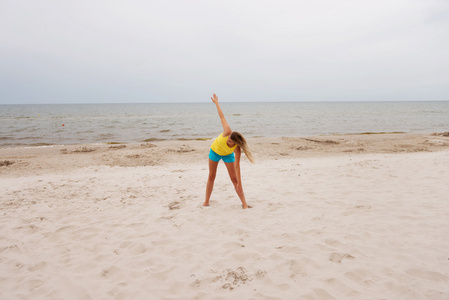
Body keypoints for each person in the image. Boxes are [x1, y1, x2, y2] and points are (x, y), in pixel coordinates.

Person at [203, 93, 254, 209]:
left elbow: (237, 167)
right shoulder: (227, 131)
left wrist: (239, 182)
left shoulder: (237, 149)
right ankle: (206, 201)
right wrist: (216, 103)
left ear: (235, 144)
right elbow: (221, 116)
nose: (228, 140)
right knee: (211, 176)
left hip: (227, 155)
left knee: (234, 180)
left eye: (230, 141)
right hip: (214, 151)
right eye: (229, 138)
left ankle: (244, 204)